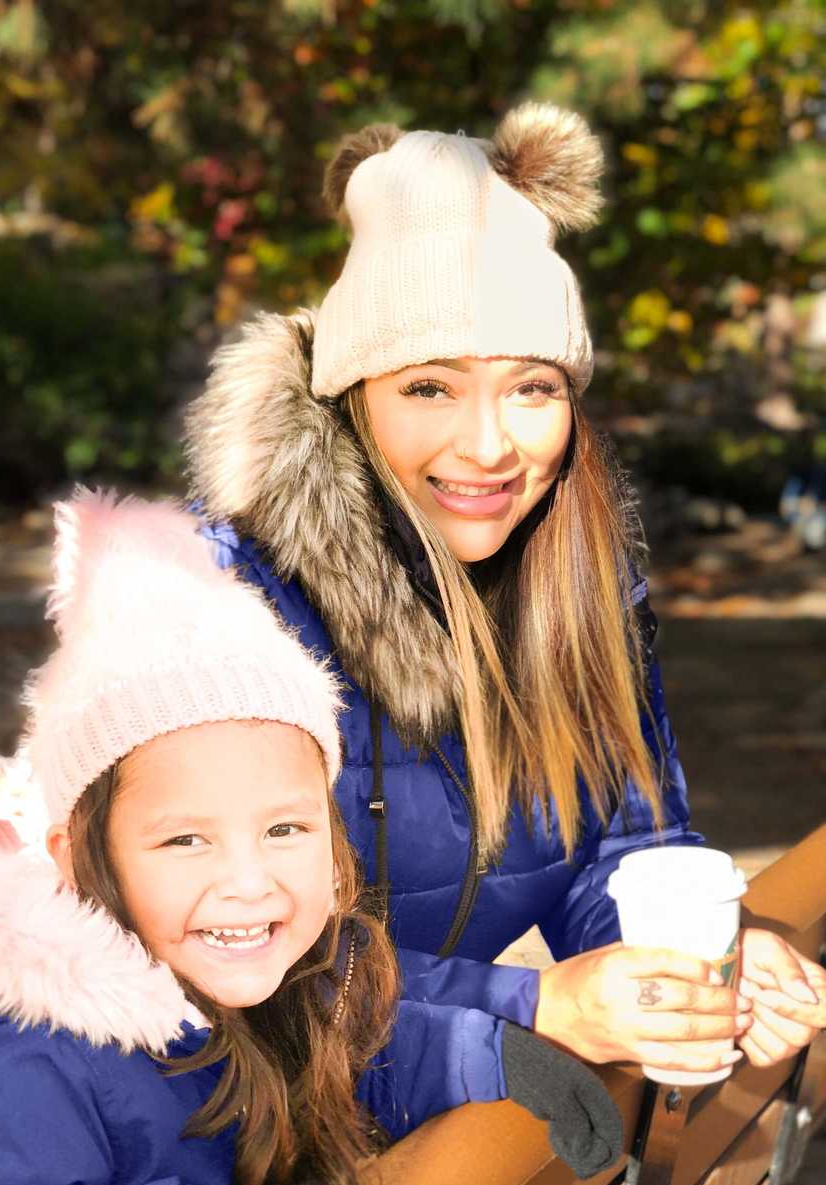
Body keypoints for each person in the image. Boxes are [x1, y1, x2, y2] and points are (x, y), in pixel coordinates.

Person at [0, 491, 622, 1185]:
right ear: (74, 855)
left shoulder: (251, 972)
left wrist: (483, 1056)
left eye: (284, 828)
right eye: (185, 839)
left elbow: (352, 1048)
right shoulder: (5, 1066)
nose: (249, 883)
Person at [184, 103, 825, 1076]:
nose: (488, 446)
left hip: (399, 1105)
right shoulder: (229, 606)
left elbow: (622, 847)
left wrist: (696, 958)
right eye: (429, 388)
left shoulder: (584, 588)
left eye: (532, 388)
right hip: (199, 1137)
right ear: (352, 397)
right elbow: (212, 955)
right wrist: (533, 1002)